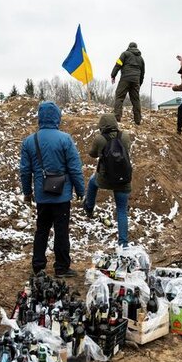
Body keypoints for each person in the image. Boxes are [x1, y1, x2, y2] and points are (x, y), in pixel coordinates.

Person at [20, 102, 85, 277]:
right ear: (57, 117)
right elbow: (74, 168)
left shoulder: (29, 141)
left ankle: (38, 265)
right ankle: (62, 267)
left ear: (40, 118)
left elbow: (25, 171)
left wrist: (27, 192)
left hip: (42, 195)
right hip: (62, 196)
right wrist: (80, 190)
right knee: (61, 231)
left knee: (41, 229)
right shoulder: (65, 139)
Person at [83, 114, 132, 247]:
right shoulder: (125, 136)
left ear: (102, 126)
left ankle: (89, 208)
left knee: (93, 182)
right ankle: (123, 244)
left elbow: (92, 154)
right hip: (123, 178)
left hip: (105, 178)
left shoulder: (100, 138)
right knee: (121, 210)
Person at [111, 42, 145, 125]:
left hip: (125, 78)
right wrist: (138, 84)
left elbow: (118, 65)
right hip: (136, 80)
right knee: (136, 100)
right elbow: (142, 73)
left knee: (119, 97)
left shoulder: (125, 54)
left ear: (129, 47)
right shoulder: (141, 59)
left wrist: (113, 75)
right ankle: (137, 121)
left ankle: (117, 118)